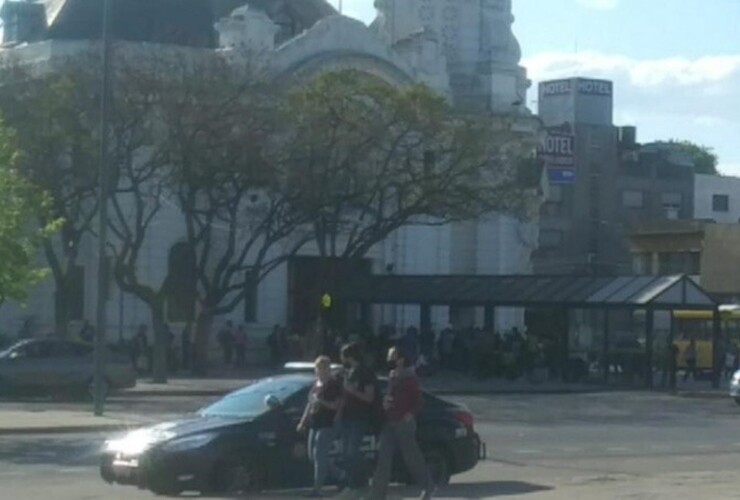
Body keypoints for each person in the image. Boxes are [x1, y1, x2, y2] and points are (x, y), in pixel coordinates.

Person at [369, 346, 433, 500]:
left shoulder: (410, 378)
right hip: (389, 421)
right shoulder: (392, 376)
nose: (388, 360)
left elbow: (418, 400)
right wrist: (385, 403)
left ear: (400, 359)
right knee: (383, 458)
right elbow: (390, 394)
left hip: (404, 423)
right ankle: (377, 495)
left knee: (412, 458)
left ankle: (428, 486)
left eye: (392, 356)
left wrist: (410, 414)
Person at [297, 356, 346, 497]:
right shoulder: (315, 385)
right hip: (315, 423)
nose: (321, 371)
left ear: (328, 369)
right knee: (314, 456)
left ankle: (317, 489)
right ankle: (342, 476)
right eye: (318, 368)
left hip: (328, 423)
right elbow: (310, 404)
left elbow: (336, 405)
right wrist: (303, 421)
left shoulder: (333, 385)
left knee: (319, 454)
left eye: (324, 368)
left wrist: (322, 401)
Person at [338, 342, 377, 490]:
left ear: (348, 356)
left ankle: (363, 478)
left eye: (342, 355)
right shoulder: (350, 371)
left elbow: (369, 397)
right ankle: (350, 481)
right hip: (347, 416)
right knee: (345, 451)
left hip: (359, 417)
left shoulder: (364, 372)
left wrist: (352, 390)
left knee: (352, 450)